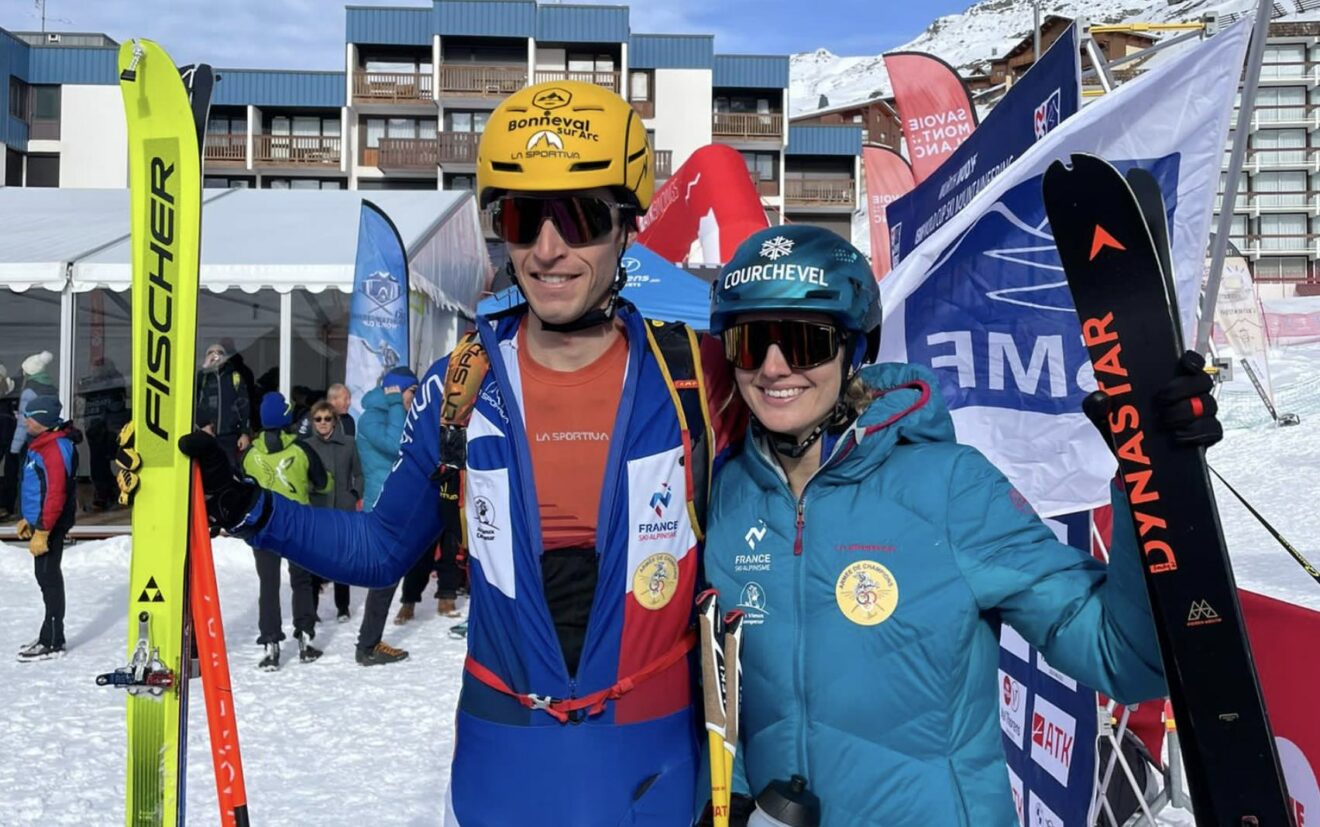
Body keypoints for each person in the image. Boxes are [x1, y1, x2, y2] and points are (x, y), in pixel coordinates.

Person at [179, 79, 713, 825]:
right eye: (524, 219)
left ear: (626, 227)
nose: (549, 250)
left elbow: (814, 411)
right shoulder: (460, 385)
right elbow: (381, 547)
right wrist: (251, 507)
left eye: (582, 216)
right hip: (505, 763)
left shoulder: (695, 375)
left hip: (651, 763)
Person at [700, 225, 1218, 826]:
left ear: (852, 350)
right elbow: (719, 693)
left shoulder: (949, 488)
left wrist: (1147, 476)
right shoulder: (724, 493)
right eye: (749, 341)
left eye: (802, 342)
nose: (773, 367)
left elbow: (1123, 658)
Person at [242, 392, 330, 671]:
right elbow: (323, 483)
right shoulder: (301, 449)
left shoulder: (250, 455)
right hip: (296, 525)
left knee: (267, 584)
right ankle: (304, 638)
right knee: (301, 581)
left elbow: (241, 487)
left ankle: (271, 644)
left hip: (263, 526)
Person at [353, 366, 420, 665]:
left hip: (396, 506)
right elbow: (397, 446)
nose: (413, 399)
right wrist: (396, 405)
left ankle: (370, 642)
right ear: (396, 390)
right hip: (381, 508)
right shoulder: (371, 418)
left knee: (387, 577)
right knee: (384, 577)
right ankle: (367, 646)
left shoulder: (395, 413)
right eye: (411, 392)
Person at [15, 396, 79, 661]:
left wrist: (43, 529)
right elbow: (36, 487)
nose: (25, 420)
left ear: (42, 420)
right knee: (44, 577)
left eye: (29, 416)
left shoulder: (56, 447)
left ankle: (52, 639)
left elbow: (56, 492)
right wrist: (28, 519)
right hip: (41, 520)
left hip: (51, 522)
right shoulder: (41, 444)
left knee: (49, 578)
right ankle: (48, 634)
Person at [302, 400, 362, 623]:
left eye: (327, 419)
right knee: (315, 560)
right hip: (318, 510)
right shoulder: (306, 445)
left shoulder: (348, 443)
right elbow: (303, 476)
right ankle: (312, 609)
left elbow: (359, 473)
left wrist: (354, 494)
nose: (323, 423)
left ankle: (343, 607)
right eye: (318, 419)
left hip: (342, 510)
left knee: (341, 560)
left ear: (335, 421)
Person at [77, 357, 129, 511]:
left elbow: (116, 403)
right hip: (93, 427)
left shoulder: (112, 382)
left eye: (96, 368)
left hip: (106, 429)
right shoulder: (93, 383)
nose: (92, 371)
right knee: (99, 465)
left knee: (101, 465)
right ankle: (108, 493)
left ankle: (105, 496)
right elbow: (80, 391)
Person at [195, 343, 253, 468]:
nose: (215, 355)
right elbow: (191, 402)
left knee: (230, 470)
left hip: (229, 436)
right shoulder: (202, 377)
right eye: (211, 352)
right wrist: (205, 366)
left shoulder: (234, 376)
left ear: (226, 357)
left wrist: (244, 433)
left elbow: (244, 406)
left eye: (219, 352)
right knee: (207, 470)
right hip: (206, 434)